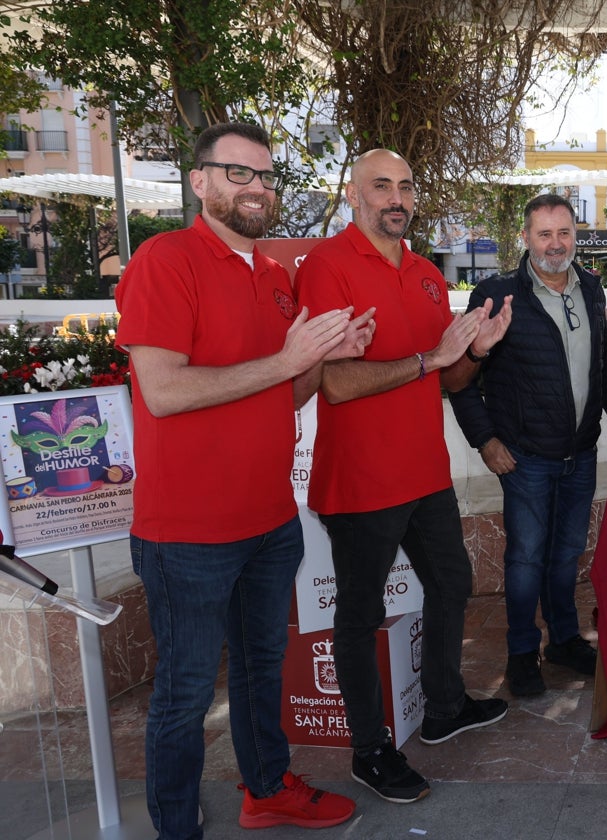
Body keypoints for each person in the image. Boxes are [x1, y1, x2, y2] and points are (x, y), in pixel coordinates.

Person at [116, 122, 373, 838]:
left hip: (268, 522)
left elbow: (282, 394)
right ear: (199, 182)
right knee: (185, 693)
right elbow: (164, 391)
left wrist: (324, 357)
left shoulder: (273, 275)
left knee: (263, 670)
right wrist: (289, 363)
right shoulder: (165, 262)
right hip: (188, 532)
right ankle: (177, 827)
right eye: (238, 174)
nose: (256, 188)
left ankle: (266, 789)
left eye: (265, 176)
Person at [295, 148, 513, 805]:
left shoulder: (422, 273)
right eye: (381, 186)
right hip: (360, 481)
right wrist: (429, 358)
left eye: (406, 186)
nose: (397, 197)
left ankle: (444, 707)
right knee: (359, 616)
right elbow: (333, 383)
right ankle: (370, 751)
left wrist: (474, 353)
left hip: (425, 474)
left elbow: (446, 377)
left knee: (454, 581)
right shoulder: (326, 267)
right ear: (354, 196)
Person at [447, 193, 607, 697]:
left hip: (579, 454)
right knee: (524, 561)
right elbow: (459, 380)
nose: (556, 244)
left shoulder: (591, 288)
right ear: (525, 238)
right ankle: (522, 653)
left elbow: (598, 370)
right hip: (525, 459)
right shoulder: (497, 295)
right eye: (544, 234)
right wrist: (485, 441)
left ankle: (563, 639)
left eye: (564, 233)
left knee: (565, 557)